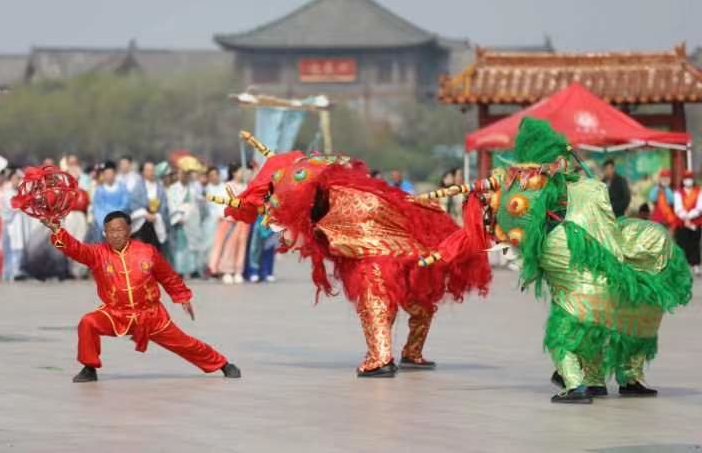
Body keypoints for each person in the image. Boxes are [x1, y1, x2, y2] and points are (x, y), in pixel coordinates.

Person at [218, 134, 492, 376]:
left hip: (378, 256)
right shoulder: (355, 190)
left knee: (377, 302)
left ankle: (380, 358)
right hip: (403, 252)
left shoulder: (345, 198)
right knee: (417, 305)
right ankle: (411, 352)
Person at [484, 118, 691, 404]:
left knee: (570, 329)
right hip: (605, 273)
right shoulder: (583, 191)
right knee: (617, 321)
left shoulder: (565, 196)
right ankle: (607, 380)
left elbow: (513, 226)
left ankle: (580, 383)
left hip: (587, 273)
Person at [45, 210, 241, 382]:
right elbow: (74, 248)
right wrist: (57, 231)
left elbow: (167, 276)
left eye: (119, 230)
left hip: (151, 315)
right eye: (110, 231)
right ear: (105, 233)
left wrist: (182, 295)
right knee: (88, 323)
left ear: (129, 230)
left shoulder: (147, 252)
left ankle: (223, 364)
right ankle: (89, 368)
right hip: (115, 314)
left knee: (184, 343)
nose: (115, 235)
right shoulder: (97, 253)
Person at [208, 164, 250, 284]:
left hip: (243, 222)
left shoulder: (246, 186)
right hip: (231, 221)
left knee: (241, 246)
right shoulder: (227, 186)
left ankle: (238, 270)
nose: (242, 174)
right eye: (240, 171)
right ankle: (227, 271)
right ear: (234, 173)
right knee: (229, 246)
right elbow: (222, 204)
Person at [167, 169, 204, 278]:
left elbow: (196, 203)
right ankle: (179, 270)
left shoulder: (193, 188)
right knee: (181, 246)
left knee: (192, 245)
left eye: (187, 175)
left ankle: (193, 269)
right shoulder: (172, 189)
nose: (184, 177)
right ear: (179, 175)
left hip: (191, 221)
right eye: (182, 174)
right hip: (180, 220)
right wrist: (179, 216)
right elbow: (171, 204)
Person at [129, 161, 169, 251]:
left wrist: (157, 215)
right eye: (148, 170)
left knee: (155, 250)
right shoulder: (138, 187)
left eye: (152, 170)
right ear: (143, 172)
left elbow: (164, 205)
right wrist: (144, 213)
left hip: (156, 221)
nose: (151, 172)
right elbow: (133, 204)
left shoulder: (160, 187)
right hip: (142, 222)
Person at [90, 161, 129, 243]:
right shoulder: (99, 191)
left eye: (111, 173)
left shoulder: (122, 188)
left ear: (115, 174)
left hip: (120, 222)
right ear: (103, 175)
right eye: (106, 173)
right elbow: (98, 209)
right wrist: (105, 225)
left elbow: (126, 205)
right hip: (103, 225)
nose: (109, 176)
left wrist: (117, 219)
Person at [1, 167, 29, 281]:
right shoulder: (7, 193)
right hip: (11, 227)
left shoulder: (20, 193)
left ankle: (19, 271)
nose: (18, 181)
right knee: (12, 250)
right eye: (16, 179)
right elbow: (14, 206)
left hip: (21, 225)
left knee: (20, 248)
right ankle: (10, 273)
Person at [673, 170, 702, 276]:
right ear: (683, 180)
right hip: (681, 223)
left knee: (694, 244)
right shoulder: (678, 192)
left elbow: (700, 207)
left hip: (695, 222)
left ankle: (696, 265)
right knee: (682, 244)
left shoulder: (699, 191)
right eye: (686, 179)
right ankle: (684, 267)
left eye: (690, 178)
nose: (688, 181)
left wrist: (689, 217)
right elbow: (678, 208)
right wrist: (685, 217)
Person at [201, 166, 226, 276]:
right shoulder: (206, 190)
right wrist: (215, 215)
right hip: (211, 221)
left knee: (223, 244)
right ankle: (210, 268)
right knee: (210, 245)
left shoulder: (225, 187)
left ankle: (220, 268)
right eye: (211, 176)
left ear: (219, 175)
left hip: (224, 219)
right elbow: (207, 207)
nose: (214, 177)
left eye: (215, 175)